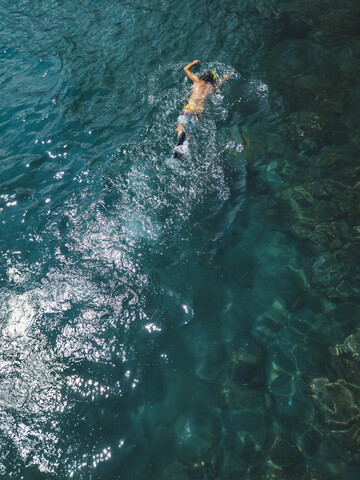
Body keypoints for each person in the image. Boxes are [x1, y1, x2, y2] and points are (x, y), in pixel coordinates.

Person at [174, 60, 229, 160]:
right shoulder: (212, 88)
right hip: (199, 111)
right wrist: (224, 79)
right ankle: (184, 147)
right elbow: (219, 86)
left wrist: (193, 63)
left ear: (203, 76)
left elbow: (185, 69)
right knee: (189, 132)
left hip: (190, 107)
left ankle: (179, 144)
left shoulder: (197, 81)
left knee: (180, 126)